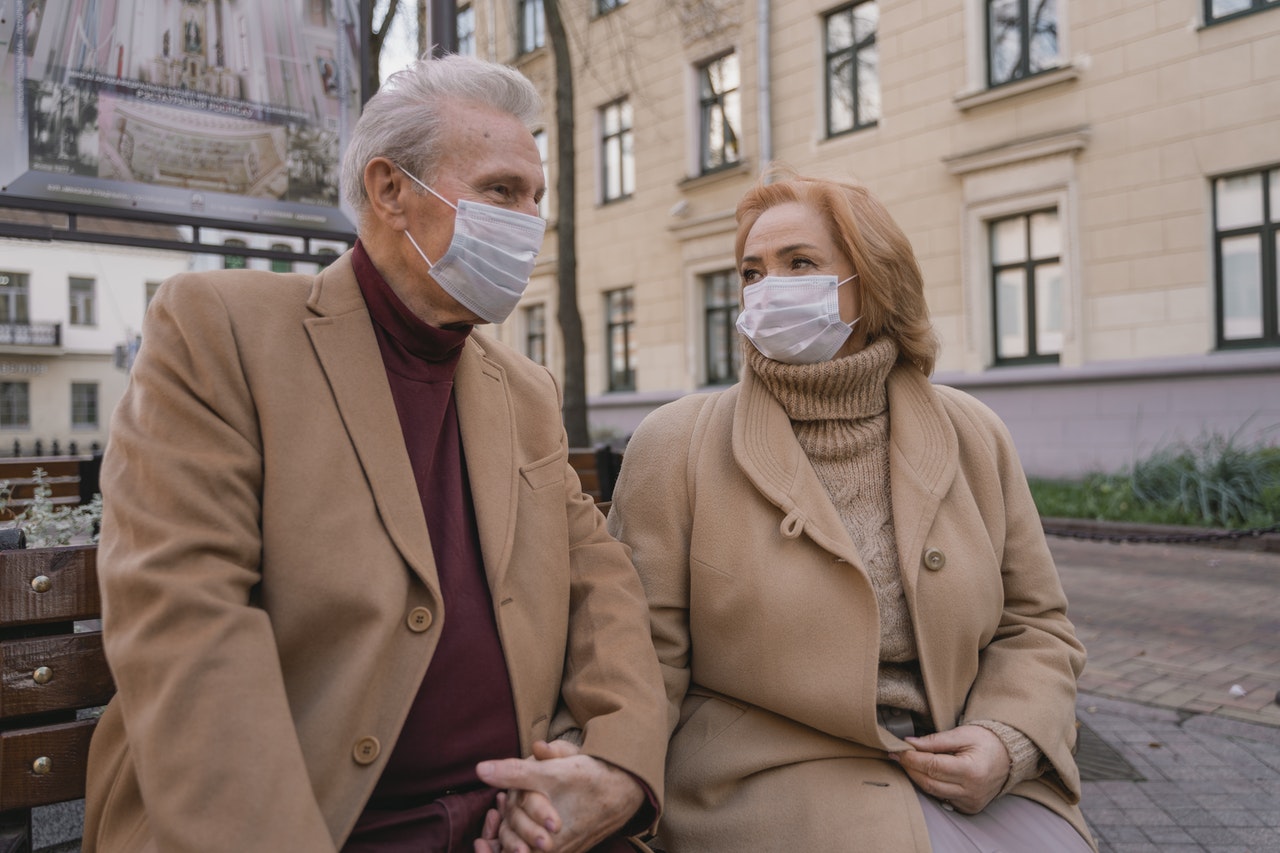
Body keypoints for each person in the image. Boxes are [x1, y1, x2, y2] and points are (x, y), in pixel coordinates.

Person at [83, 54, 667, 853]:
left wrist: (619, 767)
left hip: (513, 823)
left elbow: (601, 587)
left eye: (537, 198)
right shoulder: (222, 327)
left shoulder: (524, 389)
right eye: (501, 190)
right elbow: (186, 622)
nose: (529, 221)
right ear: (391, 191)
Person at [606, 169, 1096, 851]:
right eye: (751, 271)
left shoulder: (973, 434)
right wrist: (609, 778)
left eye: (799, 262)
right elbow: (641, 654)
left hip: (960, 777)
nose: (767, 287)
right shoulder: (676, 442)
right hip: (760, 788)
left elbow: (1035, 625)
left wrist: (1007, 738)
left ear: (870, 281)